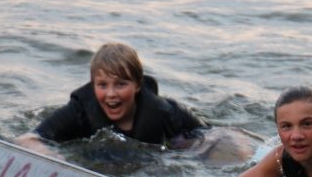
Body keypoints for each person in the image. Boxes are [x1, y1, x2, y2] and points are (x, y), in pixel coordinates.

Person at [15, 42, 206, 152]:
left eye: (121, 84)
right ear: (93, 85)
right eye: (102, 85)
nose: (111, 94)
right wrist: (55, 160)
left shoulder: (165, 111)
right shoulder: (79, 111)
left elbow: (215, 136)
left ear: (138, 85)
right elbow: (28, 139)